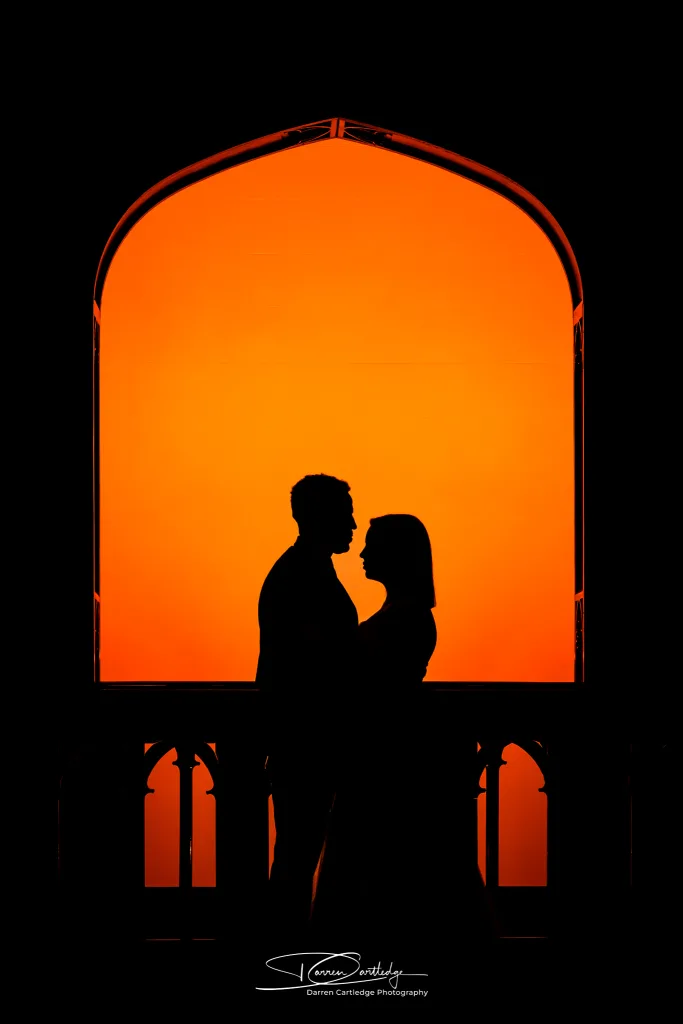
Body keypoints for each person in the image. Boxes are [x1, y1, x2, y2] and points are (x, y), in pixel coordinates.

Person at [312, 514, 494, 948]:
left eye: (373, 544)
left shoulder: (406, 619)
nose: (363, 552)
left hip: (383, 767)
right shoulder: (400, 615)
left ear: (396, 554)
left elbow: (375, 693)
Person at [257, 473, 358, 935]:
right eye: (345, 513)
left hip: (308, 741)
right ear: (318, 517)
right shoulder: (298, 576)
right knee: (298, 857)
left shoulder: (305, 571)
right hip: (307, 743)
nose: (354, 524)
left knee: (298, 855)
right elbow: (309, 662)